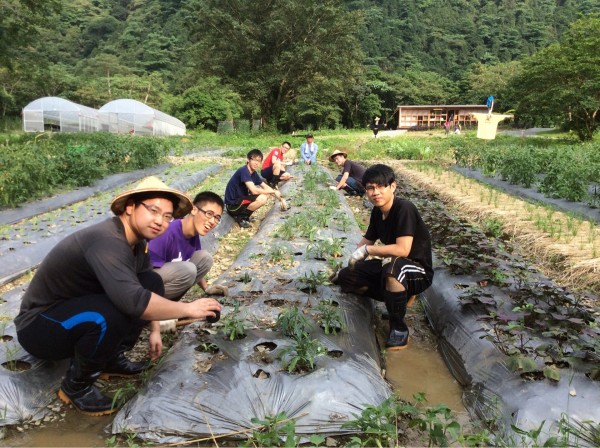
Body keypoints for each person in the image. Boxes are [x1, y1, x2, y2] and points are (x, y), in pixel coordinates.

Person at [14, 177, 222, 416]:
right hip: (40, 327)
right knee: (111, 312)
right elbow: (132, 300)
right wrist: (188, 309)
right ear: (130, 207)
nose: (160, 221)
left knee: (151, 280)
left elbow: (146, 287)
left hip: (75, 312)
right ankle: (76, 387)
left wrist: (155, 330)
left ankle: (110, 359)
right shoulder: (107, 240)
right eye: (153, 210)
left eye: (167, 216)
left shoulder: (138, 243)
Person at [336, 164, 433, 350]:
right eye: (371, 188)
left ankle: (398, 327)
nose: (376, 192)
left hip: (416, 269)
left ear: (393, 187)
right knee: (347, 277)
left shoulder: (404, 208)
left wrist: (368, 252)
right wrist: (351, 262)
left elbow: (403, 250)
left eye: (381, 187)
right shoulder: (377, 212)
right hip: (393, 264)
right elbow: (367, 240)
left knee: (393, 270)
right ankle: (399, 300)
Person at [148, 191, 227, 300]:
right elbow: (144, 275)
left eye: (217, 218)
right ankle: (156, 309)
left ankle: (169, 304)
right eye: (209, 214)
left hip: (164, 281)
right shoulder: (167, 233)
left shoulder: (193, 235)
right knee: (188, 270)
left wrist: (206, 288)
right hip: (143, 289)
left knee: (204, 258)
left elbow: (195, 262)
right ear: (194, 209)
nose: (213, 221)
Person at [224, 149, 285, 228]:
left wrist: (280, 198)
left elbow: (265, 186)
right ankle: (241, 217)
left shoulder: (253, 173)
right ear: (248, 160)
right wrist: (271, 192)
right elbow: (254, 190)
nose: (256, 163)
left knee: (265, 195)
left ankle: (244, 216)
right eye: (254, 160)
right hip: (232, 206)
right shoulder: (244, 171)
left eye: (259, 161)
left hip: (240, 201)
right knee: (262, 197)